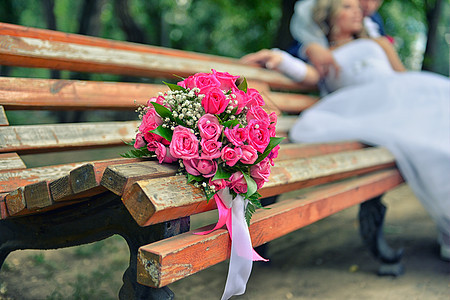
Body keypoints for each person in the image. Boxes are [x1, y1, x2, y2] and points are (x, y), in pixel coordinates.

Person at [241, 0, 450, 260]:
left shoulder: (378, 43)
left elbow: (402, 76)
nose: (357, 11)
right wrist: (274, 56)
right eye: (347, 7)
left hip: (397, 101)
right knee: (433, 150)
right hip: (360, 108)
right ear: (330, 18)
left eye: (357, 8)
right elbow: (309, 75)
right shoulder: (321, 53)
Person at [289, 0, 385, 77]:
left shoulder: (375, 24)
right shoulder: (312, 15)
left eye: (377, 1)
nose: (369, 6)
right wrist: (308, 49)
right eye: (347, 7)